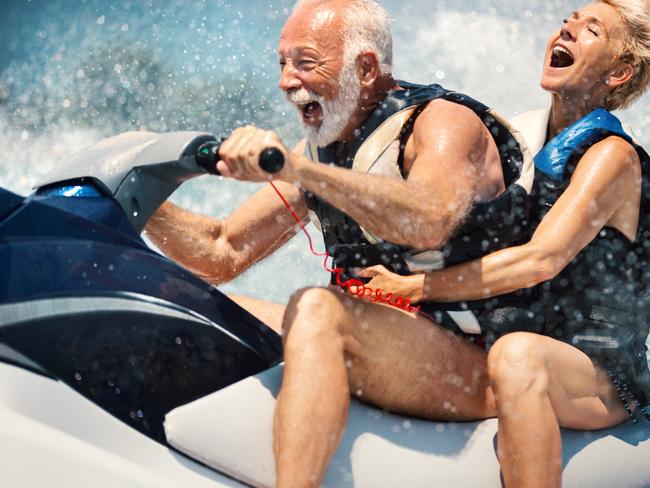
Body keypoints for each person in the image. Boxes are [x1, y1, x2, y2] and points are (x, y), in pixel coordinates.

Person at [146, 0, 539, 485]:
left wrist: (298, 171)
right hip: (379, 336)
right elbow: (222, 251)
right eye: (282, 63)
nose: (286, 81)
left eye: (305, 62)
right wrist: (139, 192)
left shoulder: (442, 123)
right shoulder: (318, 149)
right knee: (186, 304)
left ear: (365, 67)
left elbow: (427, 220)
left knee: (318, 308)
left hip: (468, 360)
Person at [360, 1, 650, 486]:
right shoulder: (526, 135)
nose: (568, 32)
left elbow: (541, 260)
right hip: (512, 336)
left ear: (619, 72)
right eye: (567, 22)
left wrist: (419, 287)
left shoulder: (613, 158)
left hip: (603, 374)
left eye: (591, 29)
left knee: (517, 354)